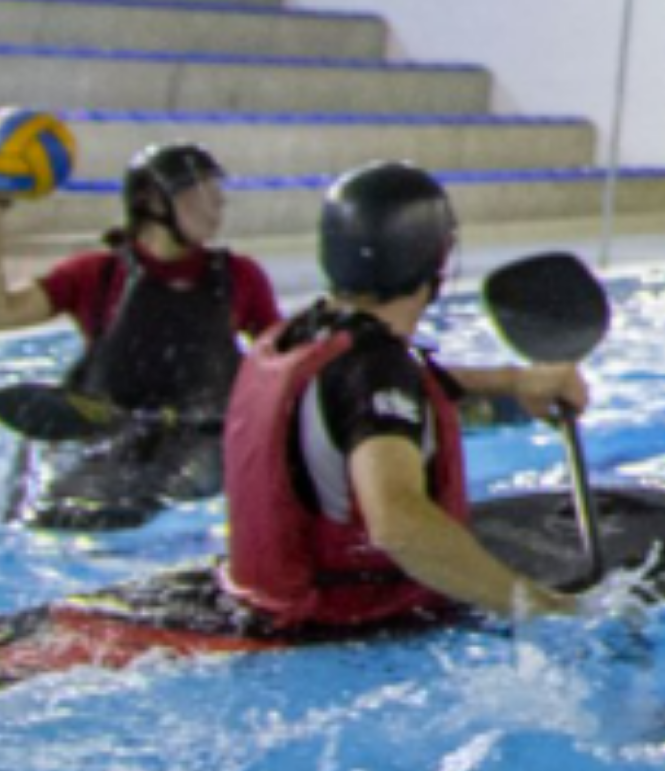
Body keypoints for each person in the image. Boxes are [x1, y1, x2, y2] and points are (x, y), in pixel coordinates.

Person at [215, 163, 594, 631]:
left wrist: (513, 381)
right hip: (338, 626)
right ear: (433, 260)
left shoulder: (299, 336)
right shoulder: (375, 368)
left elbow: (368, 398)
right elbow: (398, 525)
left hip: (259, 598)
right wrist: (542, 607)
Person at [0, 144, 280, 527]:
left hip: (201, 438)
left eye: (218, 196)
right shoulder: (96, 275)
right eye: (201, 196)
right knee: (57, 513)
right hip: (105, 429)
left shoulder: (242, 277)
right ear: (152, 202)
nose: (217, 207)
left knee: (171, 496)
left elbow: (279, 363)